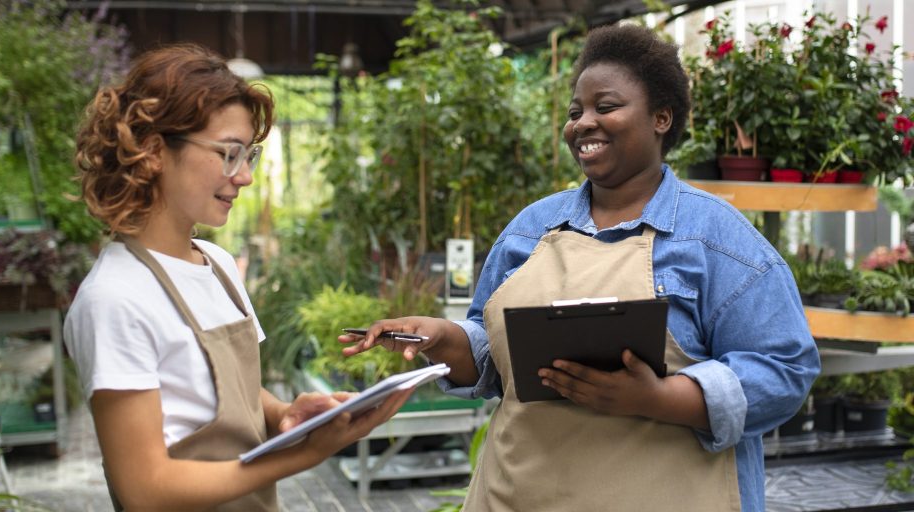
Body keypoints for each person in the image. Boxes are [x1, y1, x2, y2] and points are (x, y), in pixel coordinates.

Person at [341, 24, 820, 512]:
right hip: (518, 496)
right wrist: (445, 338)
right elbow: (492, 360)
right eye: (576, 112)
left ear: (661, 117)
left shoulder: (717, 239)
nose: (582, 123)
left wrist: (658, 399)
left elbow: (785, 370)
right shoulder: (531, 229)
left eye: (605, 107)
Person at [64, 44, 412, 512]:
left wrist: (286, 415)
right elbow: (144, 489)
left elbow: (233, 396)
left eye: (249, 155)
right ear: (151, 152)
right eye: (229, 154)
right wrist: (305, 454)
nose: (245, 176)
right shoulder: (115, 298)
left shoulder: (218, 266)